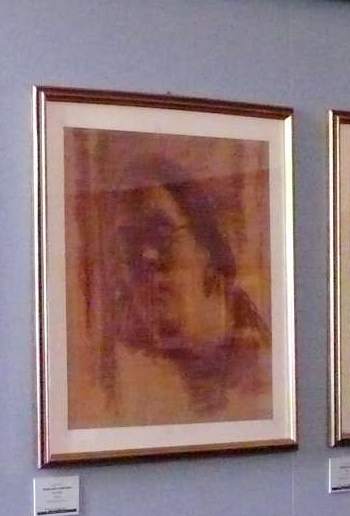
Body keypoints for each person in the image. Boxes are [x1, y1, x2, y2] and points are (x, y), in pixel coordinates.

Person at [83, 154, 270, 424]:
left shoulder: (267, 366)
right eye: (130, 241)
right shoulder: (124, 380)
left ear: (208, 248)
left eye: (161, 232)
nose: (147, 255)